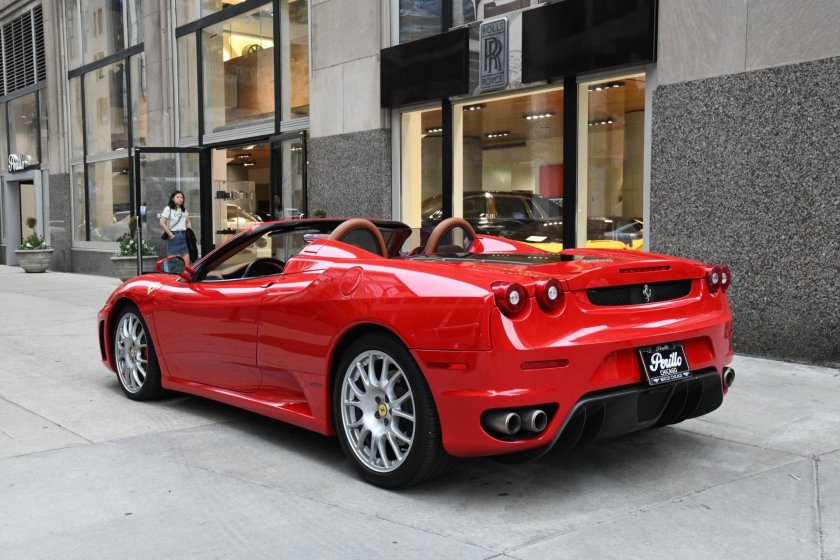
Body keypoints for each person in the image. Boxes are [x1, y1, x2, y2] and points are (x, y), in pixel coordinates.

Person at [159, 191, 192, 265]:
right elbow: (161, 222)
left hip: (184, 236)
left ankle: (185, 276)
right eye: (177, 197)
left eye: (182, 197)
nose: (180, 199)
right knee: (174, 264)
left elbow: (188, 222)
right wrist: (171, 235)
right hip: (174, 236)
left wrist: (190, 231)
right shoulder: (168, 209)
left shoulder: (184, 210)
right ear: (172, 199)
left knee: (187, 263)